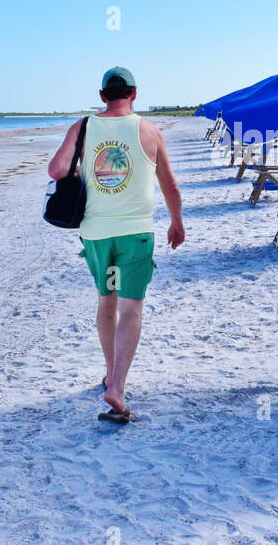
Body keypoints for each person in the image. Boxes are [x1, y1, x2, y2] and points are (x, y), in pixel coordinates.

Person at [48, 66, 185, 423]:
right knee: (132, 308)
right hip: (135, 234)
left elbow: (56, 170)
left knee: (106, 303)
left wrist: (80, 169)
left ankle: (111, 373)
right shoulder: (149, 130)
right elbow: (170, 186)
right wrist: (176, 223)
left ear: (102, 95)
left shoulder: (83, 127)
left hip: (96, 234)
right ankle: (117, 387)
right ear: (134, 94)